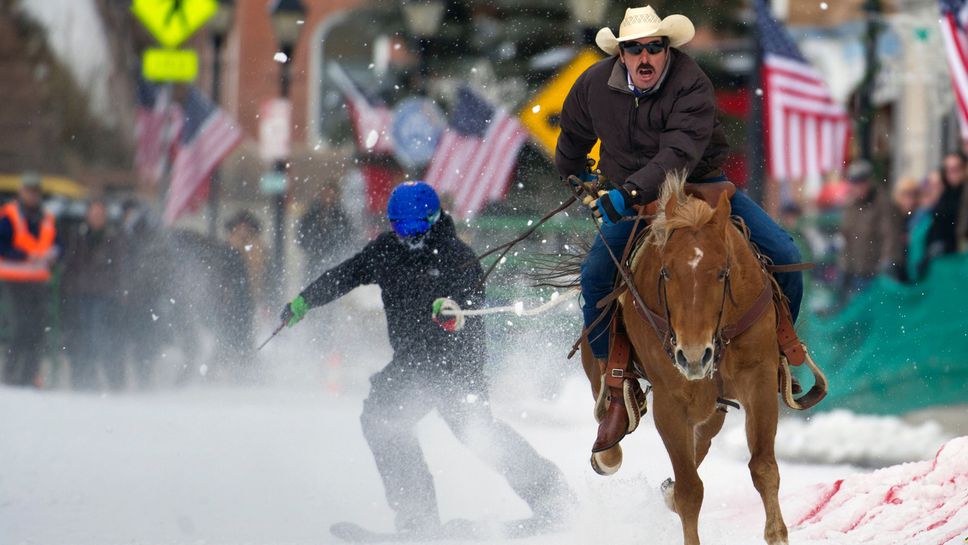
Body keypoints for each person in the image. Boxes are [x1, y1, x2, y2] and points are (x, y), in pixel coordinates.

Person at [555, 6, 805, 452]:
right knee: (595, 278)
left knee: (785, 256)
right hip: (632, 199)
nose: (646, 56)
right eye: (635, 49)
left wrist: (628, 192)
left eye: (655, 47)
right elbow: (570, 146)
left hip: (702, 186)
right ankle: (618, 390)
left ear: (667, 49)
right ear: (622, 54)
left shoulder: (691, 82)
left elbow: (678, 153)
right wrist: (586, 185)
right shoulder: (593, 85)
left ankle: (780, 358)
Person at [280, 182, 572, 537]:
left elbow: (469, 305)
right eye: (400, 227)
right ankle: (417, 518)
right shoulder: (386, 251)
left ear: (434, 220)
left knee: (478, 433)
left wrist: (451, 311)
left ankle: (555, 500)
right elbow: (346, 274)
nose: (408, 236)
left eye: (415, 228)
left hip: (456, 367)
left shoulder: (457, 256)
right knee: (382, 421)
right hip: (412, 363)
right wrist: (305, 300)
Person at [0, 172, 58, 387]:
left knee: (37, 329)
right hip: (14, 280)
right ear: (21, 192)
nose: (32, 196)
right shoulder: (9, 216)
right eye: (29, 191)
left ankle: (30, 376)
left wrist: (54, 253)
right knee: (19, 329)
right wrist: (25, 256)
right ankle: (10, 375)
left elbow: (57, 242)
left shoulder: (46, 217)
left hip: (38, 282)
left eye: (35, 192)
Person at [60, 199, 125, 390]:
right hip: (81, 294)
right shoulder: (78, 237)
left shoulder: (113, 238)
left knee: (100, 338)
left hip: (103, 295)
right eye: (94, 214)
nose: (96, 218)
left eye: (100, 214)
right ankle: (85, 379)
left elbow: (119, 268)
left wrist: (118, 291)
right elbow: (70, 264)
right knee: (82, 339)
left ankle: (112, 381)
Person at [838, 159, 892, 297]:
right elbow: (846, 238)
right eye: (855, 183)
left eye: (862, 182)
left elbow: (889, 236)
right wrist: (845, 266)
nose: (858, 187)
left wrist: (886, 263)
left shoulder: (882, 203)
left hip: (875, 273)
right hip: (854, 272)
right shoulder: (851, 206)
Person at [297, 183, 348, 281]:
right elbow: (301, 234)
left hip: (333, 259)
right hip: (314, 258)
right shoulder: (312, 213)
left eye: (331, 194)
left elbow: (347, 237)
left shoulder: (341, 216)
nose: (328, 197)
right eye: (326, 194)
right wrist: (311, 247)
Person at [925, 151, 968, 257]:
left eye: (956, 169)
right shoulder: (945, 194)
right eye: (948, 170)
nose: (951, 174)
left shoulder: (963, 194)